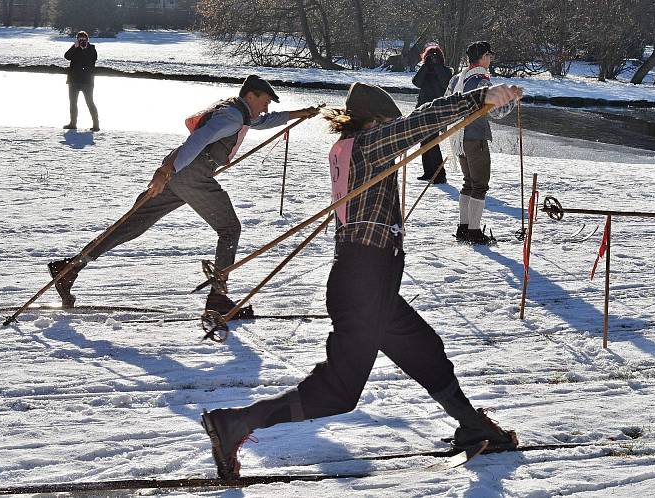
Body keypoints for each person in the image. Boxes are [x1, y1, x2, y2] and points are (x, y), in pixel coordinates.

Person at [200, 80, 523, 480]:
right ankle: (235, 423)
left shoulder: (350, 147)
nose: (395, 128)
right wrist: (479, 98)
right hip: (364, 282)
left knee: (426, 351)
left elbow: (415, 130)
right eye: (390, 122)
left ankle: (472, 425)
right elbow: (422, 122)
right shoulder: (369, 144)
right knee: (337, 391)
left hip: (369, 282)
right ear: (376, 121)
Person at [48, 75, 320, 315]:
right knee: (229, 228)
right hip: (190, 174)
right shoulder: (232, 116)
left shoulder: (238, 112)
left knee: (131, 225)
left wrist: (299, 114)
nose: (267, 106)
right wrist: (166, 170)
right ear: (251, 95)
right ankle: (218, 298)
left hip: (180, 175)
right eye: (266, 100)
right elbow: (197, 141)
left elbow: (262, 122)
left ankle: (70, 269)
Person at [446, 41, 514, 245]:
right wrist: (512, 99)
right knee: (480, 185)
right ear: (483, 57)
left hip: (458, 138)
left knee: (468, 183)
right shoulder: (482, 79)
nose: (490, 60)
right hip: (476, 137)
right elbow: (496, 111)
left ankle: (464, 228)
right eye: (489, 56)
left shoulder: (457, 79)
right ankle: (474, 232)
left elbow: (447, 104)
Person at [412, 43, 453, 184]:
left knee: (433, 142)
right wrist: (426, 66)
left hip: (437, 111)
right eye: (430, 57)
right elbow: (415, 82)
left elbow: (445, 84)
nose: (433, 59)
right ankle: (429, 172)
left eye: (435, 57)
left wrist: (436, 67)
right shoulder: (425, 70)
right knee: (424, 141)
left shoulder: (446, 71)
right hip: (422, 110)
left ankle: (439, 174)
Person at [64, 31, 100, 132]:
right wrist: (74, 47)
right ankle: (72, 123)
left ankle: (96, 125)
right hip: (74, 79)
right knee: (73, 103)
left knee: (90, 102)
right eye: (80, 39)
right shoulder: (74, 48)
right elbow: (67, 56)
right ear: (77, 40)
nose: (82, 41)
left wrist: (84, 50)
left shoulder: (92, 49)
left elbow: (92, 60)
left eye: (84, 39)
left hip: (87, 80)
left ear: (87, 39)